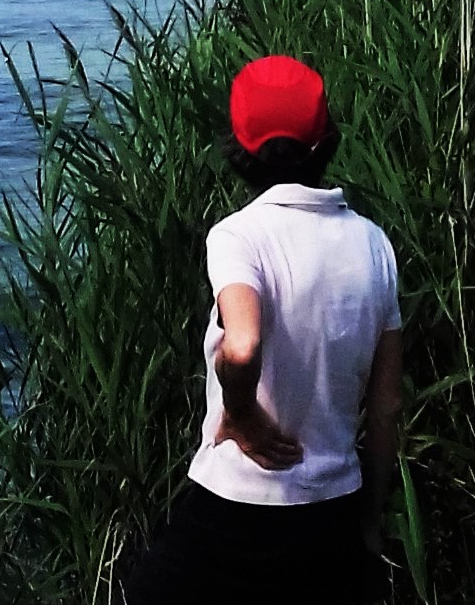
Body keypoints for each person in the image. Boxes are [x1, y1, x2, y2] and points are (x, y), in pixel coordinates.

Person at [125, 56, 402, 605]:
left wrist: (243, 413)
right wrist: (370, 521)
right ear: (327, 141)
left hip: (236, 511)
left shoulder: (238, 237)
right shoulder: (374, 244)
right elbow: (388, 405)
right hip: (331, 513)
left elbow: (243, 342)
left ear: (240, 146)